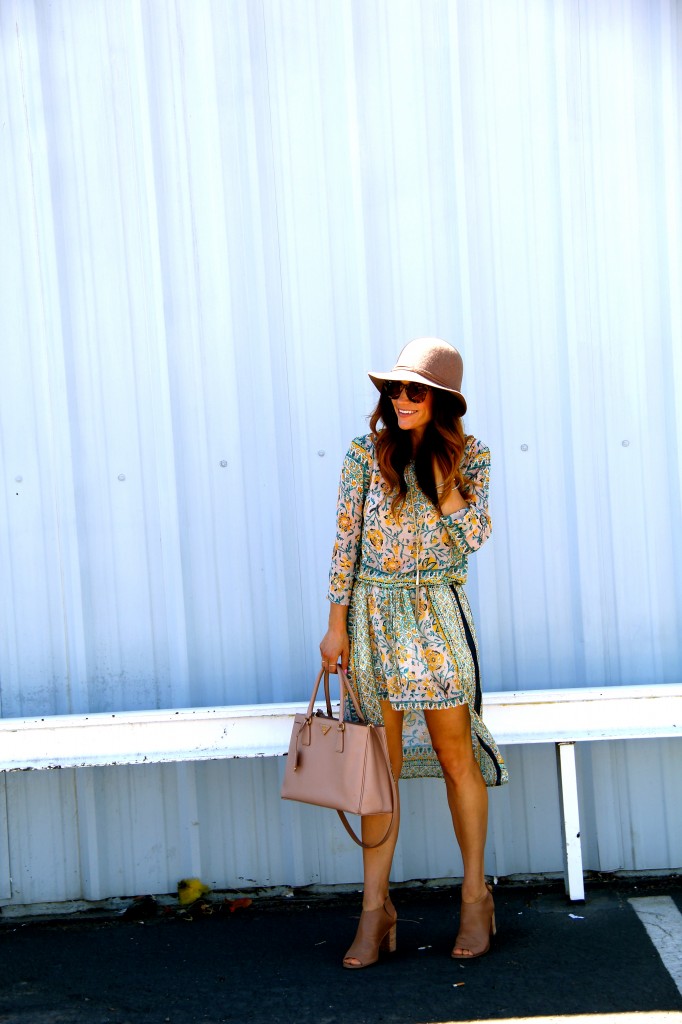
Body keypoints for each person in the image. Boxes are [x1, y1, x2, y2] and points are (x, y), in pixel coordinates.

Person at [319, 336, 508, 970]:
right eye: (394, 389)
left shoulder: (471, 456)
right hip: (372, 619)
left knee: (458, 758)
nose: (401, 399)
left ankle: (475, 899)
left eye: (414, 391)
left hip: (434, 616)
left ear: (442, 400)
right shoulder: (362, 455)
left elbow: (472, 537)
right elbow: (346, 540)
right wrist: (335, 625)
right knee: (379, 769)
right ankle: (376, 911)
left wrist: (442, 473)